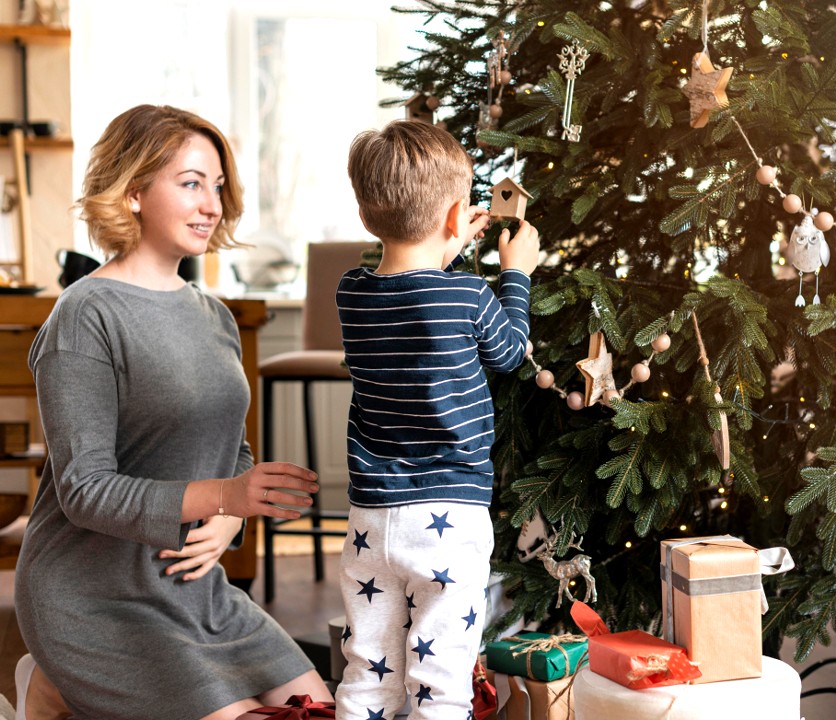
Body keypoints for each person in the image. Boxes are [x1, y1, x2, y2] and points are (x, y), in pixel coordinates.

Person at [14, 104, 334, 720]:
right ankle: (56, 678)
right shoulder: (85, 314)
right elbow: (84, 491)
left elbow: (228, 448)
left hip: (189, 582)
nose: (212, 204)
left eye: (216, 186)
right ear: (133, 192)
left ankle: (63, 693)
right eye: (190, 183)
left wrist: (229, 521)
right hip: (90, 593)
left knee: (313, 708)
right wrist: (224, 497)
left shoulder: (215, 316)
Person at [334, 119, 540, 720]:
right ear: (457, 216)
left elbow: (413, 286)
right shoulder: (472, 295)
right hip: (449, 520)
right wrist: (517, 274)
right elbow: (508, 353)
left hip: (372, 518)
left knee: (369, 671)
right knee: (441, 681)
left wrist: (445, 241)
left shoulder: (352, 293)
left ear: (368, 216)